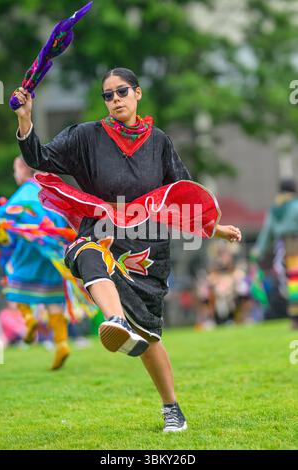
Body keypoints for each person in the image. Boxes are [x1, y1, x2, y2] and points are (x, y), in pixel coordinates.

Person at [13, 67, 241, 432]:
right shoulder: (86, 137)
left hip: (147, 249)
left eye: (121, 92)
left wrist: (214, 228)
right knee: (86, 253)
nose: (115, 99)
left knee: (149, 338)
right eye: (108, 95)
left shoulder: (160, 142)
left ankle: (172, 408)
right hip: (101, 231)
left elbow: (181, 193)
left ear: (137, 94)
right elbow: (39, 158)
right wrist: (25, 119)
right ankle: (115, 320)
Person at [0, 157, 70, 369]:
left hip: (28, 252)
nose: (14, 175)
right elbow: (62, 219)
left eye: (15, 169)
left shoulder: (24, 194)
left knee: (12, 284)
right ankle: (62, 344)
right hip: (53, 253)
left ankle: (29, 320)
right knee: (53, 298)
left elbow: (8, 219)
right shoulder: (49, 192)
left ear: (23, 169)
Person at [252, 178, 298, 330]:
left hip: (282, 248)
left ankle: (294, 318)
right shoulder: (295, 205)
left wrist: (258, 250)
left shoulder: (275, 207)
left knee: (292, 282)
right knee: (295, 281)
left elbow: (267, 232)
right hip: (295, 243)